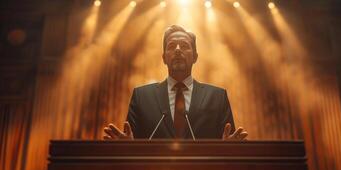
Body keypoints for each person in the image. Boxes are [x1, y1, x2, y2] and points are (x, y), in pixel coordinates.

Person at [104, 25, 247, 140]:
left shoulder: (217, 96)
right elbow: (131, 140)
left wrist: (229, 147)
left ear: (195, 57)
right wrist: (127, 146)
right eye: (171, 46)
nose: (178, 50)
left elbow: (228, 139)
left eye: (184, 46)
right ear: (164, 58)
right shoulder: (142, 96)